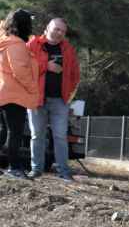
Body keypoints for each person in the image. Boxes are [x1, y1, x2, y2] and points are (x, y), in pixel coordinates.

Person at [26, 18, 81, 181]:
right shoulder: (32, 45)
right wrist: (46, 66)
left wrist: (68, 95)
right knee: (37, 135)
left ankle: (64, 171)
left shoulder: (68, 49)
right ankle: (36, 169)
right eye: (57, 29)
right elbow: (24, 69)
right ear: (47, 28)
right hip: (36, 99)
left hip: (60, 101)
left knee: (60, 136)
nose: (60, 33)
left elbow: (75, 75)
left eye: (63, 31)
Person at [0, 10, 39, 179]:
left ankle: (12, 167)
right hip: (14, 95)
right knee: (14, 132)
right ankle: (13, 168)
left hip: (4, 91)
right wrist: (33, 89)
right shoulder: (16, 45)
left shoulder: (5, 41)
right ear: (24, 25)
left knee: (4, 132)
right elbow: (20, 71)